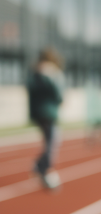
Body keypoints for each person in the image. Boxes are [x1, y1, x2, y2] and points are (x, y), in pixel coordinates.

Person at [27, 47, 64, 189]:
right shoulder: (49, 72)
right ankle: (43, 168)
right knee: (52, 143)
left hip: (40, 113)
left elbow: (31, 92)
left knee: (51, 142)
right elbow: (57, 94)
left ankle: (41, 167)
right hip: (48, 113)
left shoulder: (34, 72)